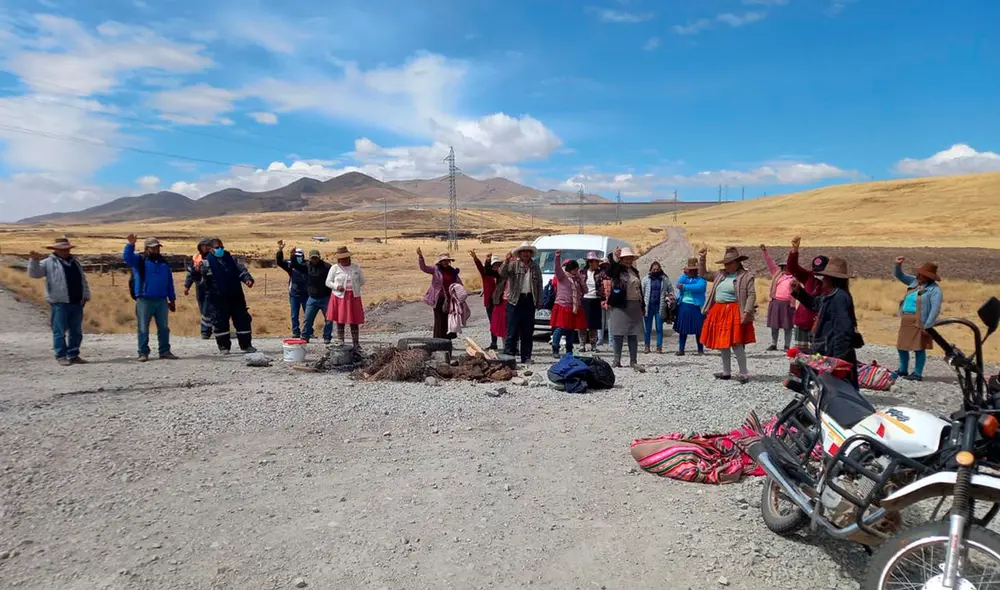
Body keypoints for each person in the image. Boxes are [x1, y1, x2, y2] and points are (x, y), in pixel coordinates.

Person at [792, 257, 861, 388]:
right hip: (827, 349)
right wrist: (799, 292)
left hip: (833, 352)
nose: (823, 280)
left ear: (832, 279)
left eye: (825, 277)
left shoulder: (839, 298)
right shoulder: (832, 295)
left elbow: (843, 330)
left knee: (837, 389)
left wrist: (837, 360)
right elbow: (816, 304)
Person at [27, 237, 91, 366]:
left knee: (76, 331)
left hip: (76, 301)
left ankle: (73, 354)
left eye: (67, 249)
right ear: (55, 249)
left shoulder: (75, 262)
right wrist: (34, 260)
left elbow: (82, 280)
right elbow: (35, 274)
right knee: (59, 330)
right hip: (59, 301)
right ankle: (61, 355)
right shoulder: (48, 262)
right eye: (62, 249)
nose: (65, 251)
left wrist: (86, 295)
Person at [699, 246, 756, 384]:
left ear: (737, 262)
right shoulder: (720, 274)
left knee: (737, 343)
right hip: (719, 311)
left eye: (729, 263)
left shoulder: (746, 276)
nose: (727, 265)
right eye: (725, 263)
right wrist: (702, 259)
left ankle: (743, 373)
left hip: (734, 311)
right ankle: (726, 372)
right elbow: (703, 274)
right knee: (723, 343)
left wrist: (747, 312)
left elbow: (751, 295)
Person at [124, 235, 178, 362]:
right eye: (153, 248)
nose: (156, 250)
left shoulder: (164, 263)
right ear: (147, 248)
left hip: (161, 300)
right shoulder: (140, 260)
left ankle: (164, 351)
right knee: (143, 327)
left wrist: (172, 299)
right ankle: (143, 352)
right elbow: (127, 257)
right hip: (144, 299)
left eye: (157, 247)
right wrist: (130, 245)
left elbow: (169, 282)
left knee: (164, 328)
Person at [199, 238, 256, 354]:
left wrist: (247, 279)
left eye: (222, 247)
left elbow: (241, 270)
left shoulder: (231, 259)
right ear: (211, 249)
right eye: (217, 248)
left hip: (236, 296)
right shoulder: (206, 262)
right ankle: (224, 347)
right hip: (217, 299)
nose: (220, 249)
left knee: (242, 321)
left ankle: (246, 345)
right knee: (220, 323)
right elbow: (201, 280)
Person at [894, 258, 942, 382]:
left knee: (919, 347)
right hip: (906, 319)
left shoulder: (934, 290)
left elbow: (935, 310)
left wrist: (927, 326)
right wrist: (898, 265)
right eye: (919, 274)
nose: (919, 276)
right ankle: (903, 369)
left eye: (922, 275)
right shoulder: (914, 282)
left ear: (928, 277)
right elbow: (900, 276)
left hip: (920, 321)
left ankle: (917, 373)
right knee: (901, 346)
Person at [498, 242, 543, 364]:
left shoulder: (535, 267)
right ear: (520, 253)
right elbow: (502, 273)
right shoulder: (513, 265)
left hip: (529, 300)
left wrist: (539, 300)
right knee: (512, 330)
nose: (526, 254)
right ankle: (509, 357)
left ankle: (526, 356)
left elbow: (539, 284)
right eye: (524, 251)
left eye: (528, 252)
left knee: (527, 331)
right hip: (515, 300)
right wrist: (506, 262)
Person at [785, 236, 830, 353]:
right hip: (803, 322)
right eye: (816, 270)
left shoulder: (831, 283)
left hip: (820, 325)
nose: (818, 273)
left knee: (818, 356)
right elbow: (793, 268)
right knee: (801, 357)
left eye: (821, 270)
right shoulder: (809, 276)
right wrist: (794, 251)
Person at [605, 246, 644, 368]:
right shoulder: (617, 270)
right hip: (620, 304)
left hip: (634, 305)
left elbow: (639, 289)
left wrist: (643, 306)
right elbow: (610, 272)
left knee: (633, 333)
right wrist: (615, 258)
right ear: (621, 259)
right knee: (618, 333)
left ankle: (633, 360)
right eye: (626, 259)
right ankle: (617, 360)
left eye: (630, 258)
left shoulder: (634, 271)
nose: (628, 261)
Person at [286, 247, 333, 344]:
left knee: (329, 319)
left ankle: (327, 337)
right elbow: (295, 265)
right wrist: (293, 255)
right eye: (312, 258)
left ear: (319, 257)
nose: (314, 260)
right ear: (310, 258)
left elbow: (333, 277)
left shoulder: (327, 267)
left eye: (316, 258)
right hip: (312, 298)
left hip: (325, 297)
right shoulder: (307, 266)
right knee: (307, 319)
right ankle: (305, 337)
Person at [326, 246, 366, 349]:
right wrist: (336, 286)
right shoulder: (335, 268)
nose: (343, 260)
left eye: (345, 258)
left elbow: (362, 281)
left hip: (353, 296)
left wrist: (353, 287)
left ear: (349, 257)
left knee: (354, 320)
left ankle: (356, 344)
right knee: (340, 319)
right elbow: (328, 282)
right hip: (339, 297)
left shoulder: (356, 267)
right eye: (341, 258)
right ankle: (341, 342)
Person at [550, 251, 588, 357]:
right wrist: (557, 257)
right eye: (574, 269)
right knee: (560, 328)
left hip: (574, 307)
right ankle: (555, 348)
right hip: (562, 305)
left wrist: (580, 280)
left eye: (577, 269)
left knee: (571, 329)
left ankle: (569, 349)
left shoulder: (577, 279)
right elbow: (557, 268)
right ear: (569, 269)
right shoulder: (562, 277)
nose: (576, 271)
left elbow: (585, 290)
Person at [418, 248, 463, 340]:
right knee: (439, 319)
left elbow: (458, 283)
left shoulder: (453, 271)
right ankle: (438, 341)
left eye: (447, 260)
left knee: (449, 319)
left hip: (450, 299)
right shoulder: (435, 270)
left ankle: (447, 341)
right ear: (440, 262)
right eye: (444, 261)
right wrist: (420, 257)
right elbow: (424, 268)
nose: (445, 262)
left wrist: (460, 293)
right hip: (438, 298)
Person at [760, 244, 796, 352]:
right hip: (776, 302)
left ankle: (787, 346)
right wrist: (764, 252)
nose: (786, 268)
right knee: (774, 325)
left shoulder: (794, 277)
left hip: (788, 304)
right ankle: (773, 344)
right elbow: (770, 263)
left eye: (788, 266)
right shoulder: (777, 274)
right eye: (785, 266)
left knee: (788, 326)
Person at [672, 257, 706, 356]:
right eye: (689, 270)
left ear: (696, 270)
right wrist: (684, 274)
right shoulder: (685, 278)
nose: (690, 272)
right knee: (683, 329)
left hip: (696, 306)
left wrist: (685, 287)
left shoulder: (701, 279)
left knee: (699, 328)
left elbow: (700, 287)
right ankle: (681, 349)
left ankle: (700, 349)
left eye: (692, 270)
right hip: (684, 305)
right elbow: (678, 283)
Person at [471, 250, 505, 350]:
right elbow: (480, 267)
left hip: (500, 301)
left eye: (498, 264)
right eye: (494, 264)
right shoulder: (486, 274)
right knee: (492, 322)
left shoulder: (502, 275)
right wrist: (475, 258)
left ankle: (505, 344)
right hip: (490, 302)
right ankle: (494, 343)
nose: (496, 266)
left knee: (502, 322)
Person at [275, 240, 309, 338]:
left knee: (308, 315)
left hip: (306, 294)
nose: (298, 258)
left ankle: (308, 331)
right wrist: (280, 250)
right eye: (296, 256)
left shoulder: (307, 265)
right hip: (294, 294)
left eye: (300, 256)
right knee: (294, 314)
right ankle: (296, 332)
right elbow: (280, 262)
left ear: (303, 256)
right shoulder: (291, 265)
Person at [184, 238, 215, 340]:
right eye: (203, 246)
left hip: (212, 287)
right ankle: (214, 327)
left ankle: (205, 331)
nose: (205, 248)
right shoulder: (196, 258)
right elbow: (190, 274)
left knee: (207, 309)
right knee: (202, 308)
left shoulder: (214, 258)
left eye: (207, 246)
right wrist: (187, 286)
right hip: (200, 287)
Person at [642, 261, 673, 354]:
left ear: (660, 269)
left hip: (660, 307)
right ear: (650, 269)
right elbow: (642, 292)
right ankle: (647, 346)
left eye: (657, 269)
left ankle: (659, 347)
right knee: (647, 329)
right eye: (654, 269)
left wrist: (670, 297)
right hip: (648, 307)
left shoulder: (665, 279)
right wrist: (641, 305)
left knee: (659, 328)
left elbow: (671, 290)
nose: (655, 271)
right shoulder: (646, 279)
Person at [579, 251, 606, 352]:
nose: (597, 263)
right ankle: (582, 345)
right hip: (584, 299)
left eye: (597, 261)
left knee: (594, 325)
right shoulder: (582, 273)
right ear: (589, 262)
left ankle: (593, 344)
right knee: (582, 324)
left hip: (595, 299)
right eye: (595, 261)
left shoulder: (601, 273)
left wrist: (603, 298)